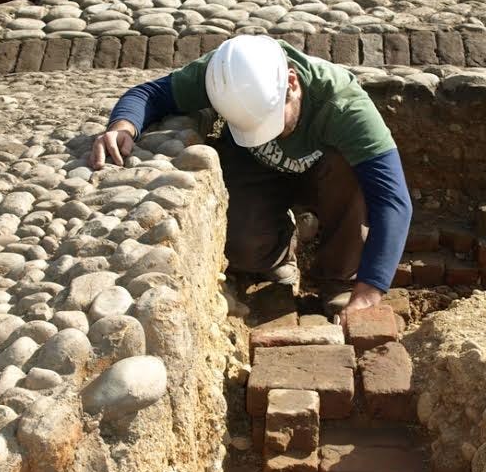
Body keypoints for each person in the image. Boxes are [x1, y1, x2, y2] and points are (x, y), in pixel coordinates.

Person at [89, 35, 412, 319]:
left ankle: (338, 278)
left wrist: (371, 288)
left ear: (292, 83)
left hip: (324, 177)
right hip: (256, 170)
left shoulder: (343, 104)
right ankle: (283, 246)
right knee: (245, 250)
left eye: (272, 121)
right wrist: (123, 127)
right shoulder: (223, 76)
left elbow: (392, 200)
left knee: (349, 171)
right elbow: (150, 93)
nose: (267, 133)